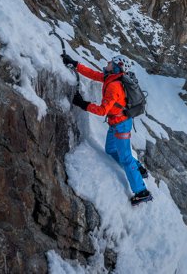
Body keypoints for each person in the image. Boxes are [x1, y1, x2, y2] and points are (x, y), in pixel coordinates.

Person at [62, 53, 153, 206]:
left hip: (121, 124)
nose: (108, 63)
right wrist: (75, 64)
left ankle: (141, 192)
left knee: (125, 158)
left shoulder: (113, 86)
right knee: (110, 150)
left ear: (117, 67)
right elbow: (93, 74)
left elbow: (102, 110)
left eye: (111, 62)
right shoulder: (111, 78)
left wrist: (82, 104)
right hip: (117, 122)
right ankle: (139, 169)